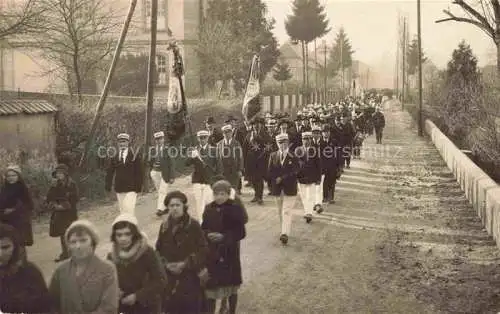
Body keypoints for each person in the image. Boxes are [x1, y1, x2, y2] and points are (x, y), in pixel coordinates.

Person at [49, 220, 119, 314]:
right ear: (68, 246)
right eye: (73, 242)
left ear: (93, 242)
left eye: (83, 240)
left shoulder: (107, 269)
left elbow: (109, 308)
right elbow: (51, 304)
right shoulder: (61, 270)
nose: (78, 246)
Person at [156, 191, 208, 314]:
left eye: (177, 205)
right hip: (170, 277)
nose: (174, 208)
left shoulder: (193, 225)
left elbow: (203, 250)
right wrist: (165, 264)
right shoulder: (164, 227)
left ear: (184, 206)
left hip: (190, 277)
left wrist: (185, 264)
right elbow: (158, 250)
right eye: (171, 205)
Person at [201, 180, 246, 314]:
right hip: (213, 253)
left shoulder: (235, 208)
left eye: (222, 194)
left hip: (229, 253)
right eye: (216, 194)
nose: (219, 197)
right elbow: (203, 228)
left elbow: (241, 232)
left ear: (228, 194)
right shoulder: (209, 209)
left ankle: (231, 310)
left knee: (231, 286)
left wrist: (225, 237)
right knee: (211, 287)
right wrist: (207, 234)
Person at [108, 213, 167, 314]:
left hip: (147, 306)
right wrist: (116, 291)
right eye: (119, 235)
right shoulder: (112, 256)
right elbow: (108, 281)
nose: (123, 238)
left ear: (134, 234)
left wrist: (137, 296)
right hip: (124, 306)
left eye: (127, 234)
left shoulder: (146, 252)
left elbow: (161, 280)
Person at [0, 223, 51, 313]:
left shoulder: (29, 272)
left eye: (5, 247)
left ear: (15, 247)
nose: (0, 254)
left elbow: (45, 307)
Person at [268, 133, 299, 245]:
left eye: (284, 142)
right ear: (277, 143)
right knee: (280, 211)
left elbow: (295, 172)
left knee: (286, 210)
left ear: (288, 143)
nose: (282, 145)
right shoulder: (273, 155)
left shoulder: (293, 156)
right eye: (279, 142)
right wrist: (272, 184)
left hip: (290, 188)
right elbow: (270, 171)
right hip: (277, 189)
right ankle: (283, 229)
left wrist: (282, 178)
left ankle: (284, 233)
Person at [187, 130, 223, 223]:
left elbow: (218, 165)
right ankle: (201, 222)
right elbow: (186, 163)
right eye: (200, 138)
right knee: (199, 203)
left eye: (204, 137)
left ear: (207, 138)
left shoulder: (213, 149)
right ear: (198, 139)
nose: (202, 139)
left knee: (209, 202)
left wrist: (218, 179)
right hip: (197, 180)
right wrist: (192, 156)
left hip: (209, 180)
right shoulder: (194, 150)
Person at [46, 163, 79, 262]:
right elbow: (49, 197)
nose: (59, 175)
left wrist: (64, 205)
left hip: (70, 213)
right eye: (57, 173)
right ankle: (65, 253)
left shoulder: (72, 184)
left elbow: (75, 198)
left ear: (65, 174)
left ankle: (74, 253)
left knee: (70, 233)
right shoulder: (55, 185)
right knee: (62, 234)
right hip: (59, 214)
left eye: (61, 173)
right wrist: (54, 205)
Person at [105, 133, 144, 216]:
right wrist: (108, 185)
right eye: (120, 142)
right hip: (119, 187)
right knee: (122, 210)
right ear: (118, 143)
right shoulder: (115, 157)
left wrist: (139, 186)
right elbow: (110, 172)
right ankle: (126, 227)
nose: (122, 144)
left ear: (128, 142)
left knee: (129, 208)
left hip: (132, 187)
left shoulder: (134, 156)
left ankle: (131, 226)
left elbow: (139, 172)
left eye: (124, 141)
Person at [0, 165, 34, 248]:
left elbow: (29, 205)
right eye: (8, 176)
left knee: (20, 243)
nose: (11, 178)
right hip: (6, 221)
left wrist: (13, 210)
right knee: (9, 244)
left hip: (19, 220)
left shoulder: (22, 188)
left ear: (18, 176)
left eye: (13, 175)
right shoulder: (4, 189)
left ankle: (22, 261)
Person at [296, 132, 321, 224]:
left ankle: (309, 213)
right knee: (303, 196)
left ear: (310, 140)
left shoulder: (315, 150)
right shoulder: (298, 150)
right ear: (302, 140)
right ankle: (307, 211)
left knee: (310, 195)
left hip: (311, 176)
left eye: (308, 139)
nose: (306, 141)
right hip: (301, 177)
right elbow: (295, 164)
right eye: (304, 139)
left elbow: (319, 165)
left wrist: (318, 178)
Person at [150, 131, 175, 216]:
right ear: (155, 140)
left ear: (163, 139)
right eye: (157, 139)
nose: (159, 141)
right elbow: (150, 161)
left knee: (162, 191)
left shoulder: (167, 149)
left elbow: (171, 163)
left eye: (160, 139)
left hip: (165, 173)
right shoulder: (153, 150)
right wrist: (151, 171)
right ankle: (166, 207)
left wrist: (172, 176)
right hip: (155, 172)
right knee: (160, 191)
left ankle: (160, 209)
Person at [216, 124, 244, 191]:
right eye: (225, 132)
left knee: (233, 190)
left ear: (231, 132)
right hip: (223, 171)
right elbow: (217, 158)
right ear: (223, 134)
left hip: (234, 170)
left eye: (229, 132)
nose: (227, 134)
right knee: (224, 189)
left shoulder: (236, 143)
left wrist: (240, 169)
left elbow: (240, 157)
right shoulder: (219, 144)